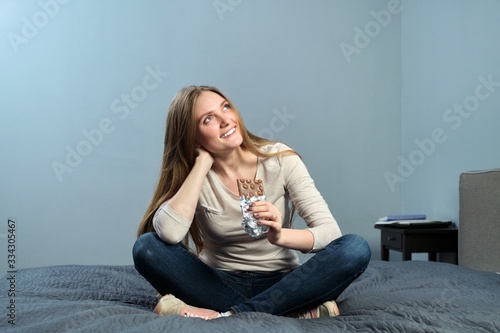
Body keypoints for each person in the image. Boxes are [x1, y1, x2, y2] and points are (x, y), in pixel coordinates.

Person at [132, 85, 371, 320]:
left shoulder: (280, 159)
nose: (226, 120)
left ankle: (228, 314)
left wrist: (280, 236)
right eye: (208, 119)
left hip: (284, 282)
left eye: (226, 107)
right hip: (216, 281)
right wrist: (202, 165)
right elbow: (169, 234)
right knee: (146, 247)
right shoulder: (194, 176)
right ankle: (291, 311)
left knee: (355, 248)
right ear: (192, 137)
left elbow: (330, 233)